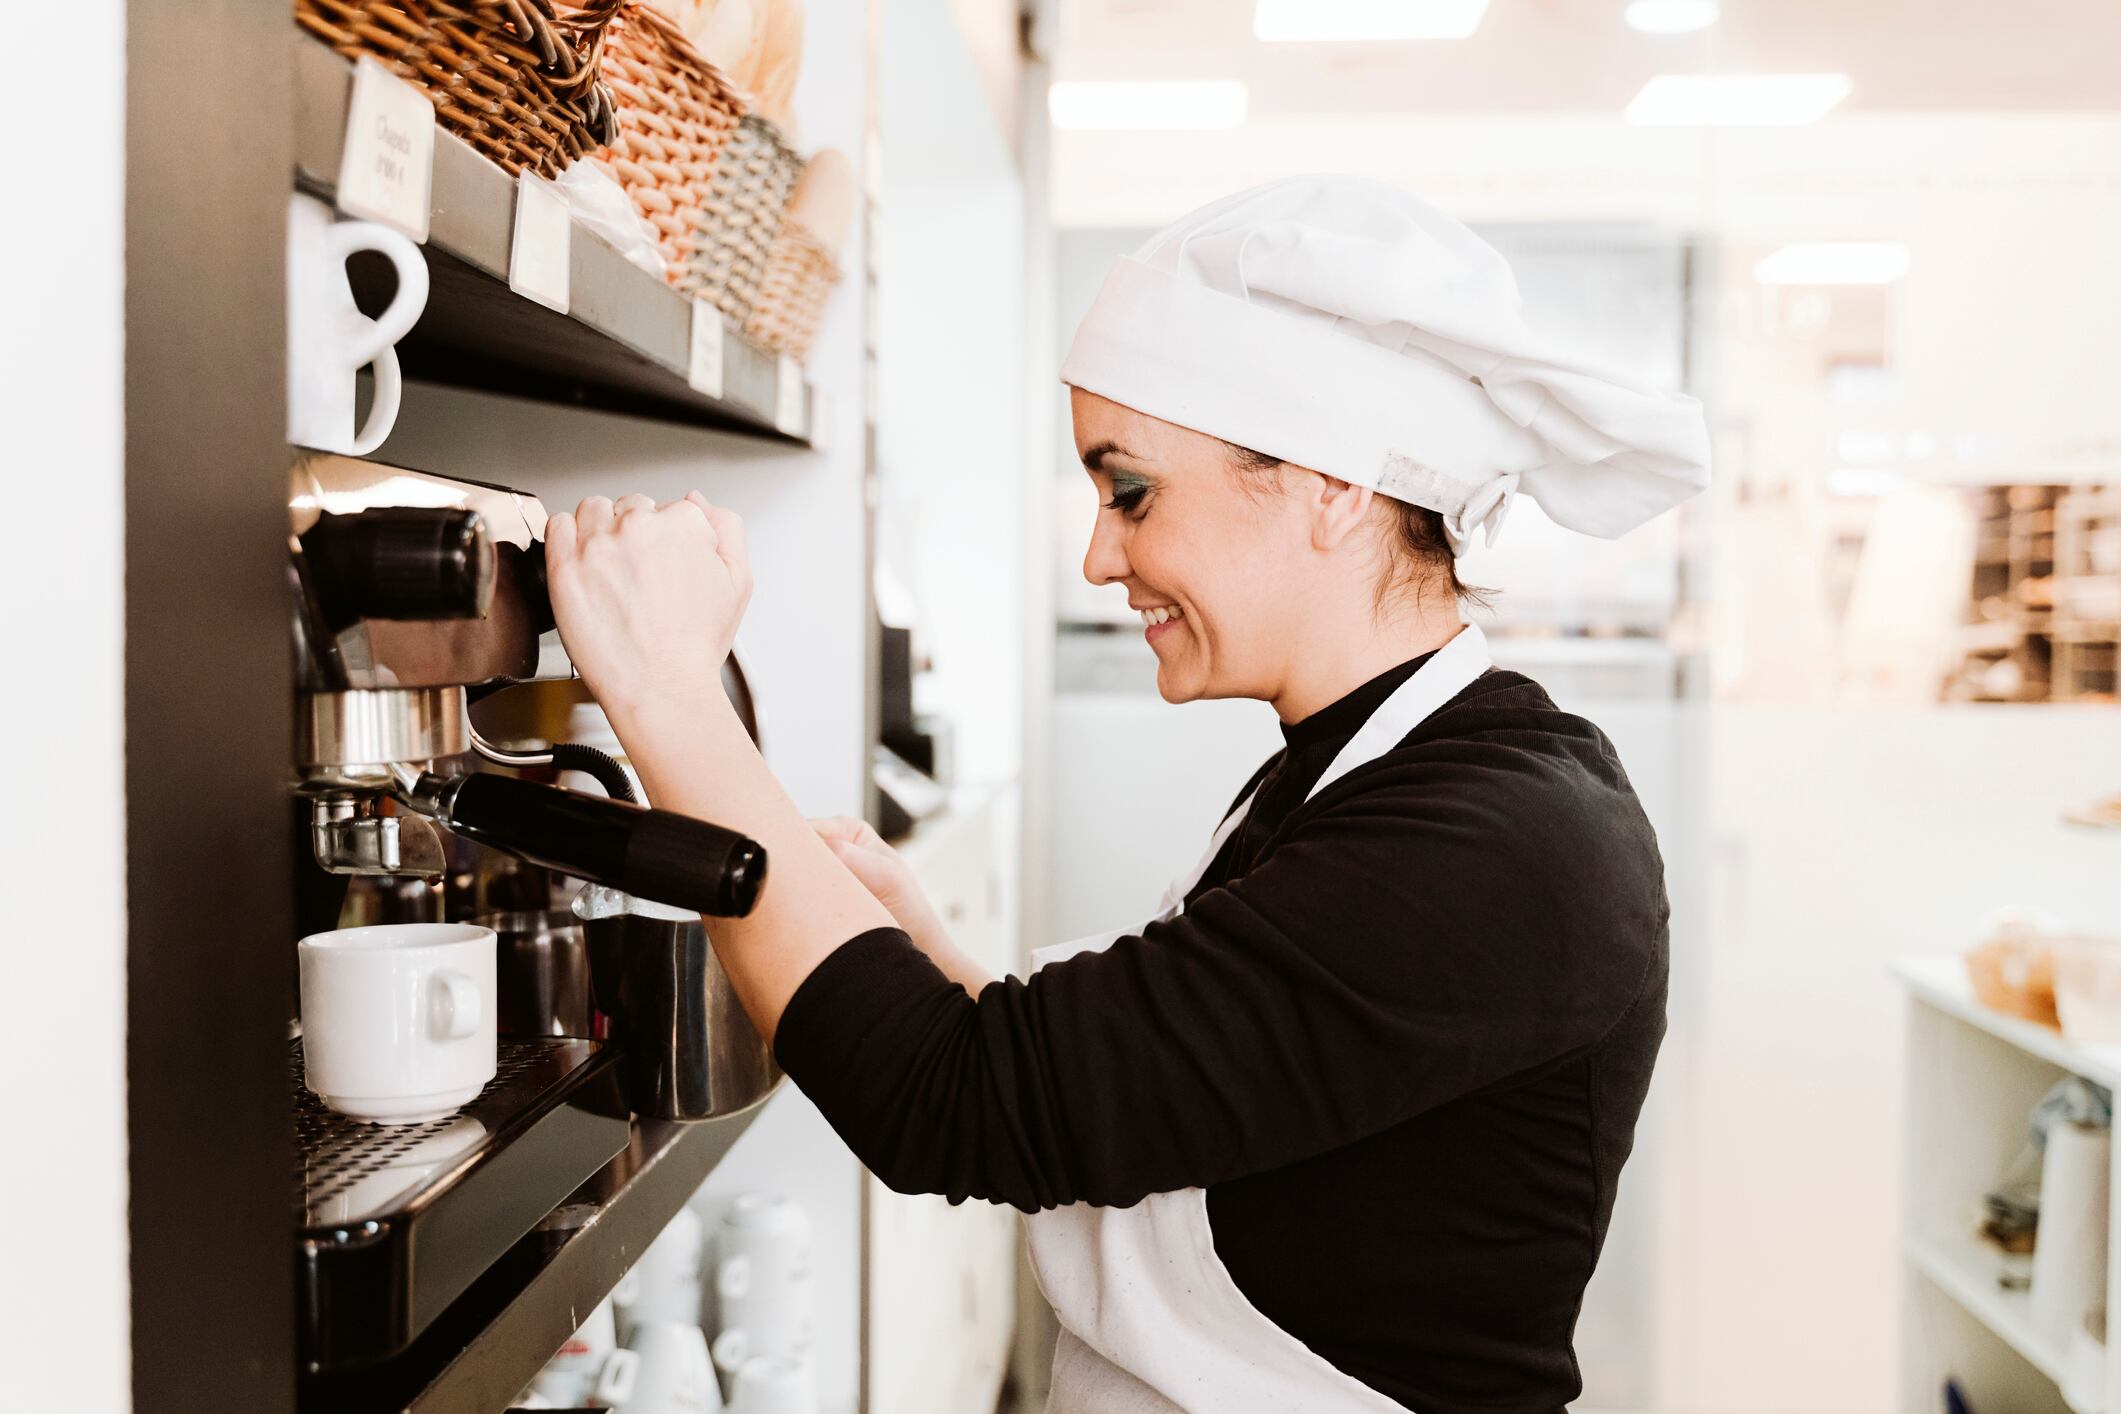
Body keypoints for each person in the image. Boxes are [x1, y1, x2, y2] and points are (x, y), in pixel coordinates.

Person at [545, 174, 1711, 1413]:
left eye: (1132, 490)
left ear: (1332, 484)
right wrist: (930, 968)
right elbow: (1180, 1101)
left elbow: (954, 1105)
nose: (1101, 554)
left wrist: (669, 693)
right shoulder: (1358, 771)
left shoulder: (1504, 843)